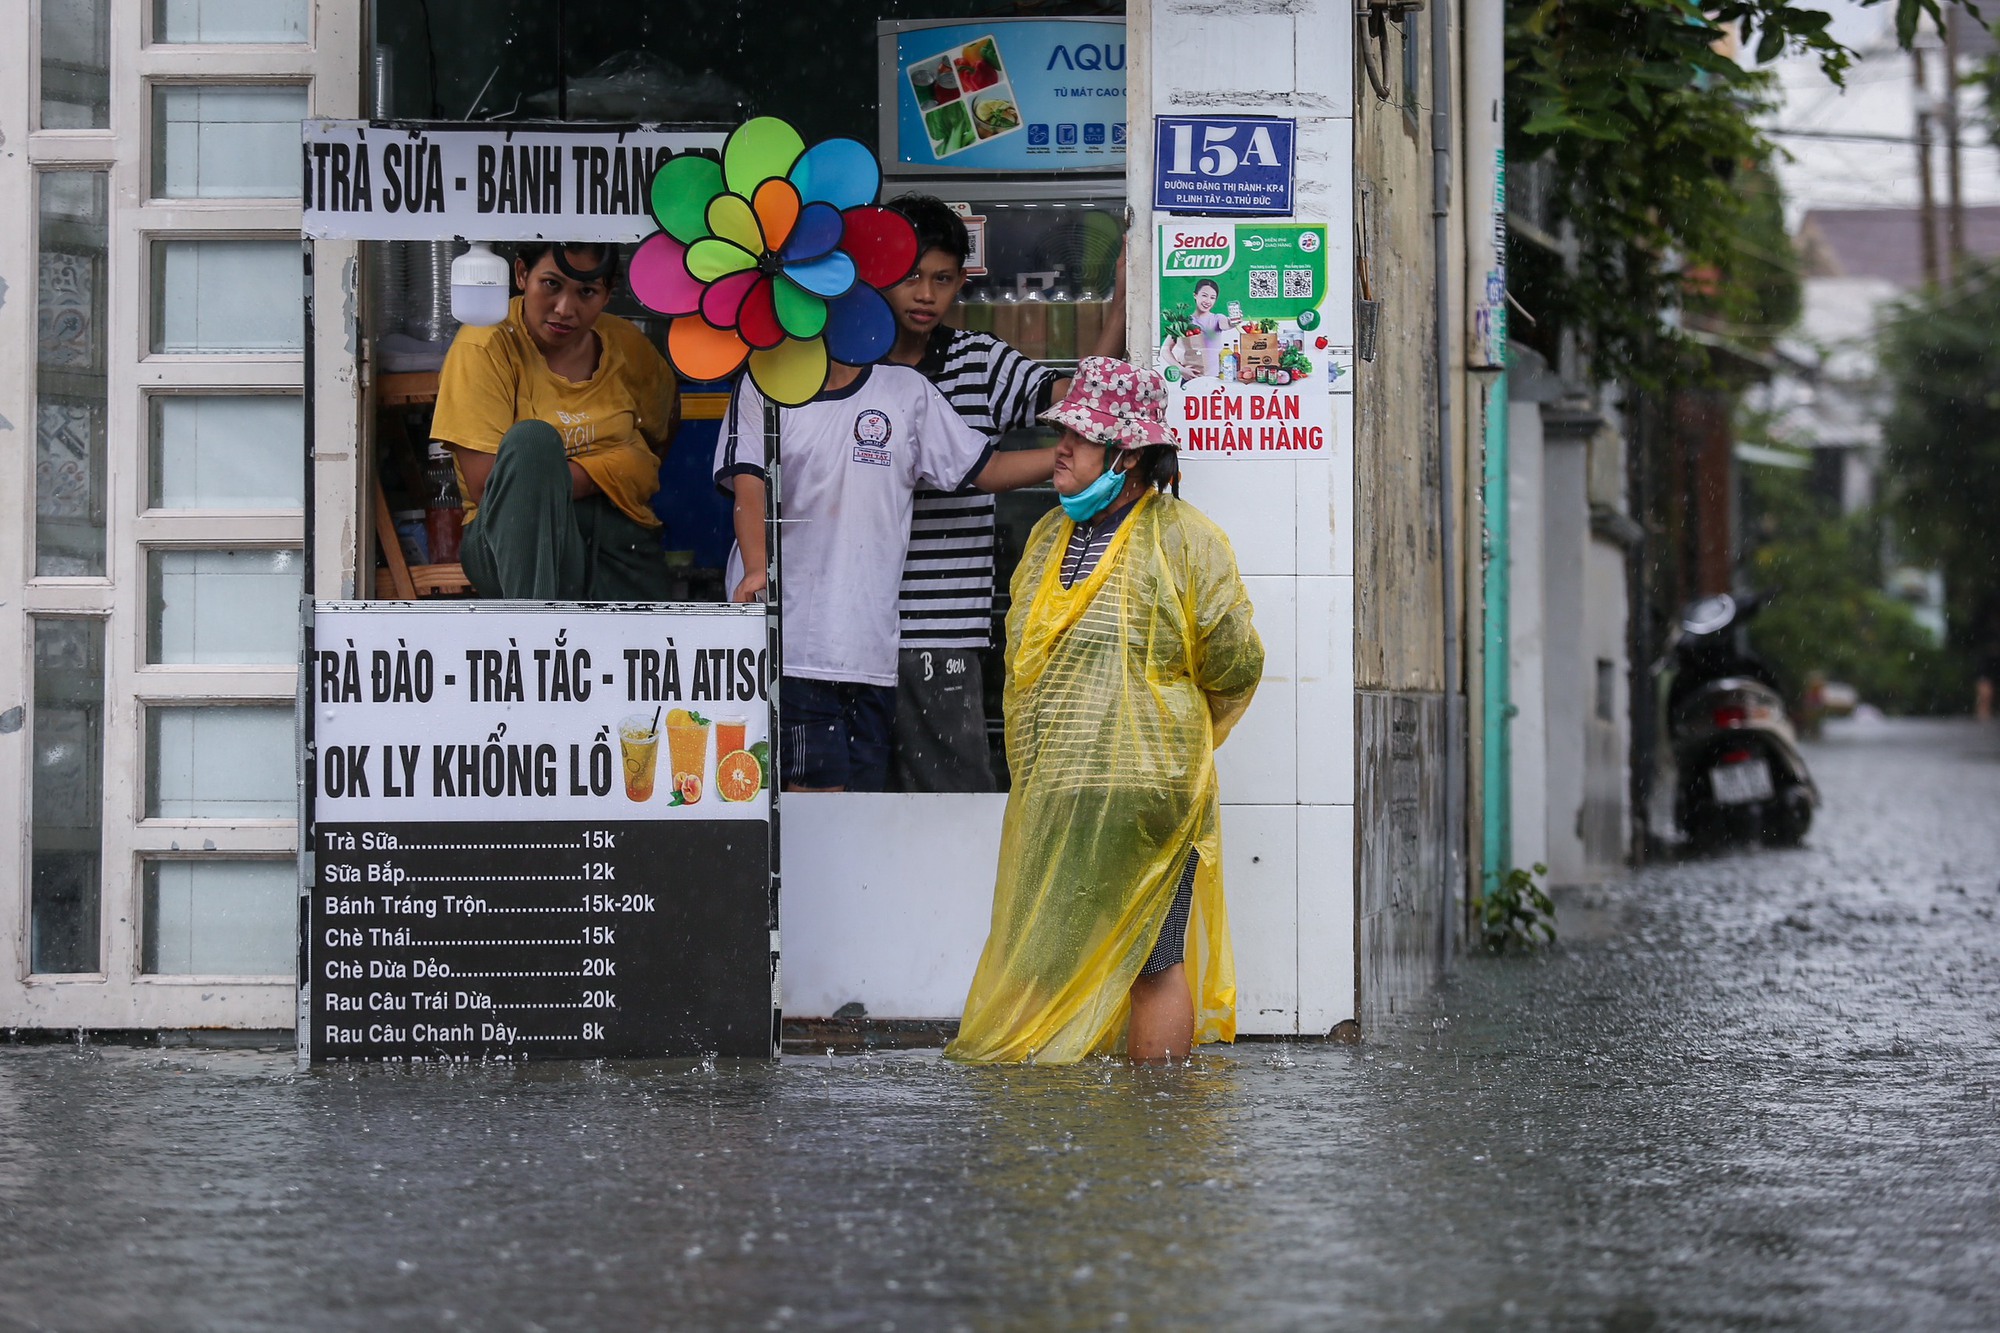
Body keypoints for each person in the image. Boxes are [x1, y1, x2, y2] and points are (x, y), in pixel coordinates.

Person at [945, 358, 1264, 1066]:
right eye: (1063, 430)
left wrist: (1164, 738)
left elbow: (1235, 662)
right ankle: (1067, 1130)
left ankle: (1154, 1126)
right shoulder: (1047, 538)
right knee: (1043, 958)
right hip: (1059, 793)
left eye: (1080, 436)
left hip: (1145, 798)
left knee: (1152, 959)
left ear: (1128, 453)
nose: (1060, 447)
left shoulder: (1185, 539)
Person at [715, 360, 1056, 793]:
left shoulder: (905, 390)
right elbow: (750, 484)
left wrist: (1072, 457)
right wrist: (755, 567)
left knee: (860, 814)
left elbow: (986, 469)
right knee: (814, 816)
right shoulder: (765, 380)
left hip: (871, 656)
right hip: (792, 648)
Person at [880, 194, 1126, 792]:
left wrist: (1120, 304)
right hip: (853, 628)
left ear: (962, 282)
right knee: (856, 805)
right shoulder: (837, 370)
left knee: (951, 800)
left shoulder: (979, 361)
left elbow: (1078, 402)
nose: (925, 295)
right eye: (910, 276)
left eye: (942, 279)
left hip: (944, 628)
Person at [431, 241, 679, 600]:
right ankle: (535, 637)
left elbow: (664, 426)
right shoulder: (484, 345)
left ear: (608, 295)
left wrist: (555, 478)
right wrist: (617, 467)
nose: (565, 308)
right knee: (531, 442)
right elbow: (492, 487)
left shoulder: (627, 345)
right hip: (510, 541)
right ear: (521, 275)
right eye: (551, 284)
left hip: (620, 542)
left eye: (587, 292)